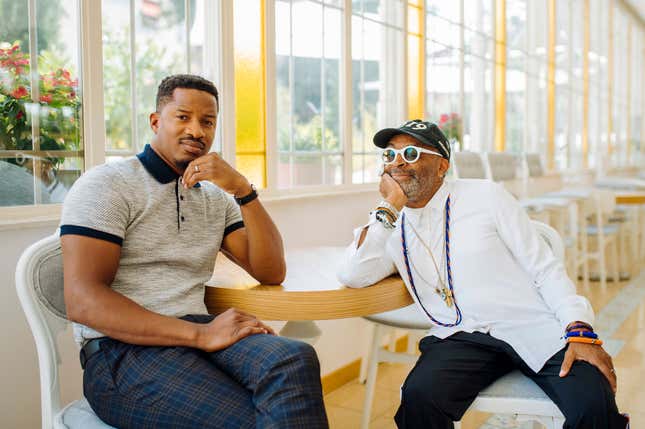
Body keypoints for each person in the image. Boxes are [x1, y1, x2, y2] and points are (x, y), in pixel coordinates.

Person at [60, 74, 328, 429]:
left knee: (294, 358)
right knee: (257, 418)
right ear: (156, 122)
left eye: (208, 121)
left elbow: (270, 271)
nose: (197, 131)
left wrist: (243, 190)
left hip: (194, 333)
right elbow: (83, 300)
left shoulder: (215, 199)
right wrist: (201, 335)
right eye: (183, 117)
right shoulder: (108, 185)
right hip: (120, 354)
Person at [337, 119, 628, 429]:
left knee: (594, 402)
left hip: (531, 325)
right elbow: (353, 274)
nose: (397, 163)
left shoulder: (486, 196)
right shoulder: (390, 225)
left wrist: (578, 327)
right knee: (419, 398)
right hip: (459, 336)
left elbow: (543, 267)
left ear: (441, 166)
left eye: (411, 153)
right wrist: (388, 208)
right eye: (390, 154)